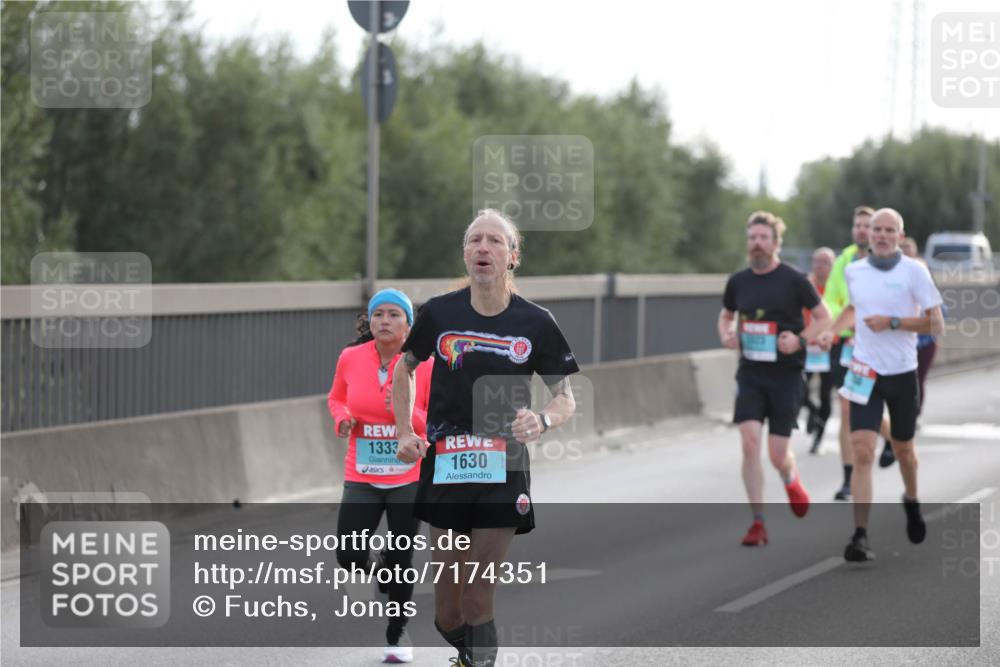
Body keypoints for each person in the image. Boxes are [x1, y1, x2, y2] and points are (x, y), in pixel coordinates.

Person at [393, 209, 579, 667]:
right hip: (447, 465)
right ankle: (472, 655)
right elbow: (403, 368)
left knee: (478, 595)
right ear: (464, 253)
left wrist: (542, 420)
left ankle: (480, 661)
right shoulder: (438, 312)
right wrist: (404, 430)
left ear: (512, 256)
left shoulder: (536, 322)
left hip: (503, 468)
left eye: (495, 241)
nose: (483, 248)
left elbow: (565, 398)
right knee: (447, 613)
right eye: (475, 240)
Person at [818, 208, 944, 562]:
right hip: (865, 372)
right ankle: (860, 535)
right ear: (869, 234)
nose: (883, 235)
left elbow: (936, 324)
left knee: (904, 451)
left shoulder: (914, 272)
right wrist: (830, 331)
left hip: (902, 373)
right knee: (862, 451)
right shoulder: (854, 271)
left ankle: (912, 499)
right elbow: (854, 310)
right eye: (877, 229)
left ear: (900, 236)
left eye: (890, 230)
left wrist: (893, 322)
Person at [327, 288, 433, 664]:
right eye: (378, 315)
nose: (384, 321)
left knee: (402, 557)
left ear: (409, 325)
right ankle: (379, 567)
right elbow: (336, 397)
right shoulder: (351, 358)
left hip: (410, 474)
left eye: (394, 315)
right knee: (349, 553)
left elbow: (436, 419)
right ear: (369, 322)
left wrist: (406, 413)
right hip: (362, 471)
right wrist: (342, 418)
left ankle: (397, 630)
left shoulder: (427, 364)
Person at [718, 211, 831, 546]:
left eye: (763, 238)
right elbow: (726, 315)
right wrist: (727, 334)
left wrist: (800, 339)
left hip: (786, 375)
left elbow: (824, 317)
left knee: (777, 454)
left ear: (776, 243)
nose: (757, 243)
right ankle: (758, 522)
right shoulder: (738, 281)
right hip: (751, 373)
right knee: (749, 443)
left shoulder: (794, 280)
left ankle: (791, 478)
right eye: (752, 238)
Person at [823, 206, 893, 497]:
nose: (862, 230)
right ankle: (847, 479)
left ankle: (891, 437)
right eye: (858, 225)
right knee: (847, 406)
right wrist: (836, 327)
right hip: (846, 343)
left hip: (874, 343)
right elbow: (830, 300)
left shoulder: (887, 261)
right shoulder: (844, 261)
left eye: (868, 225)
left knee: (862, 405)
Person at [801, 247, 836, 454]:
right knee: (799, 389)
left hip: (828, 347)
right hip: (806, 346)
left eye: (824, 262)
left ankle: (819, 436)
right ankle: (812, 411)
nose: (819, 266)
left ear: (832, 266)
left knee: (825, 394)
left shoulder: (836, 288)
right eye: (816, 261)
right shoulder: (805, 285)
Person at [902, 237, 938, 425]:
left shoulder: (921, 272)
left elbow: (939, 318)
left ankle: (915, 415)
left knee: (917, 379)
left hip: (924, 341)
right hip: (901, 341)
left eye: (909, 251)